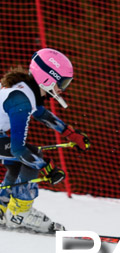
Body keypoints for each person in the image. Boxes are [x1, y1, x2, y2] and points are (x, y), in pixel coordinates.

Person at [0, 48, 90, 233]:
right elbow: (18, 149)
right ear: (48, 78)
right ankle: (19, 215)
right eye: (62, 83)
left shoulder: (26, 91)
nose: (62, 89)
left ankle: (3, 206)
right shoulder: (21, 101)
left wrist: (71, 134)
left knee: (22, 161)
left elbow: (42, 114)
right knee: (30, 156)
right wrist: (46, 166)